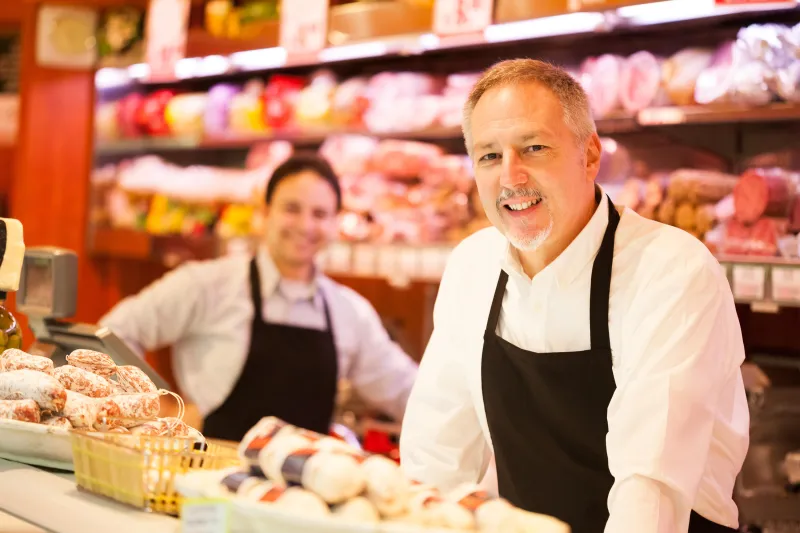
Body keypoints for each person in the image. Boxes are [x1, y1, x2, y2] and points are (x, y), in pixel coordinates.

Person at [399, 59, 750, 533]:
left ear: (589, 155)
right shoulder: (472, 267)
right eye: (488, 156)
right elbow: (434, 460)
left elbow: (649, 491)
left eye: (534, 147)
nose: (510, 177)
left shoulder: (669, 270)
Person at [100, 153, 419, 442]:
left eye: (320, 214)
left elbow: (408, 391)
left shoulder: (349, 312)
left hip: (298, 497)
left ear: (335, 223)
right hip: (202, 484)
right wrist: (166, 410)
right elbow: (110, 336)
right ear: (265, 213)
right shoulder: (207, 284)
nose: (306, 225)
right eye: (292, 209)